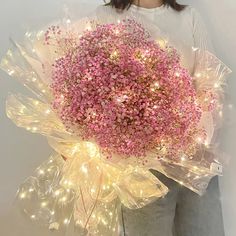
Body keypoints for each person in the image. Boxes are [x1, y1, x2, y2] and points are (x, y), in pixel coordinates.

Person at [93, 1, 225, 236]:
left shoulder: (190, 17)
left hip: (195, 159)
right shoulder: (105, 17)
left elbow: (211, 83)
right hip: (140, 169)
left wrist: (191, 126)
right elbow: (93, 88)